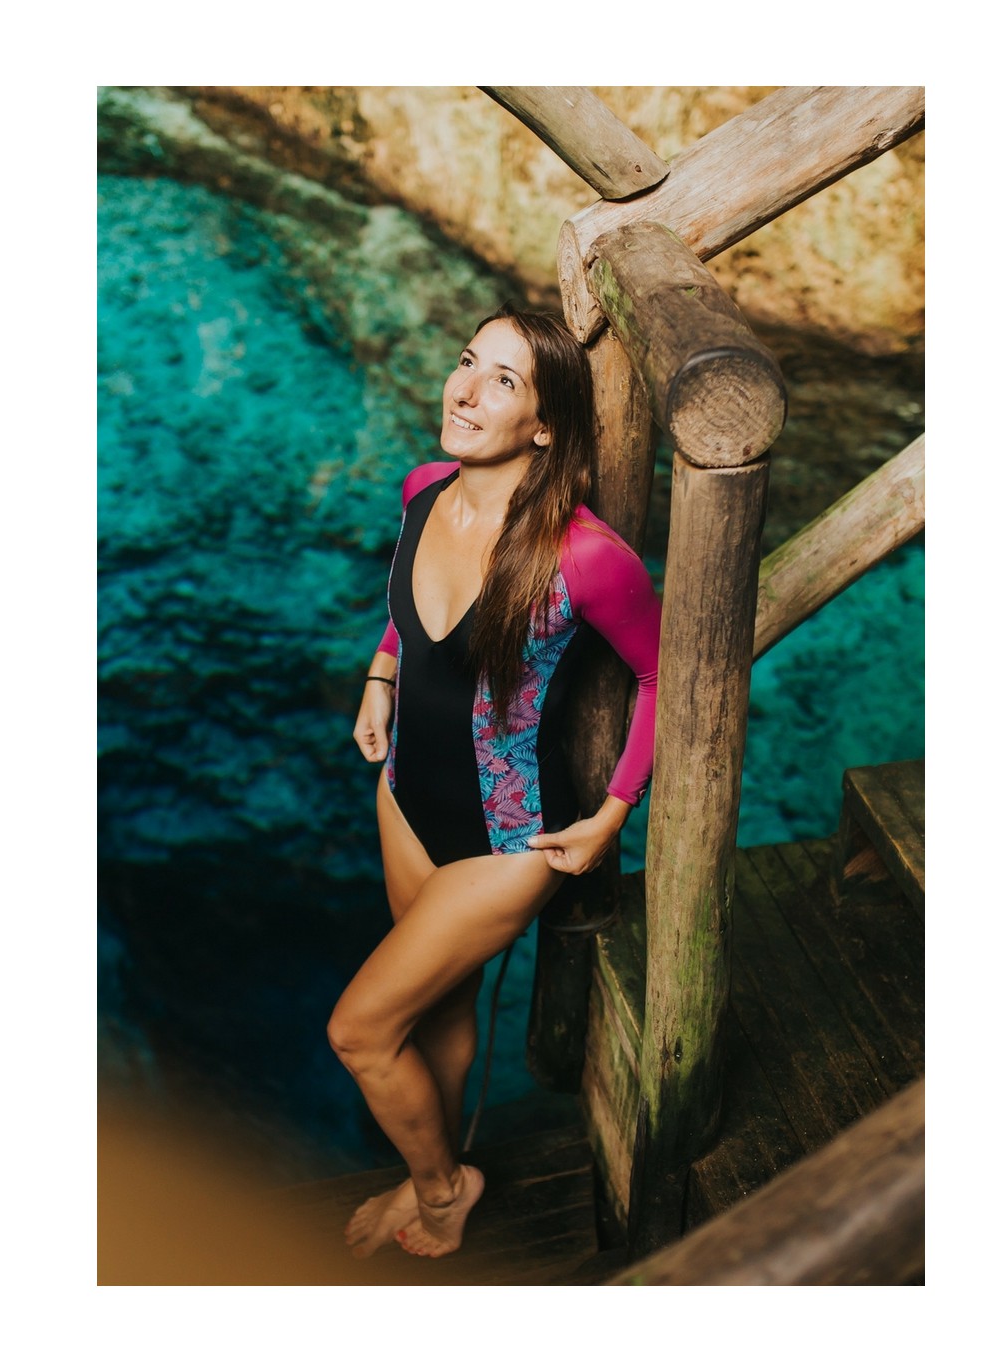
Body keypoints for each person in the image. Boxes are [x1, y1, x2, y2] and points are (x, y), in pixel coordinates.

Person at [328, 303, 662, 1260]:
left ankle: (444, 1191)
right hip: (404, 800)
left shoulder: (585, 558)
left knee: (359, 1033)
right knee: (437, 1011)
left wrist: (612, 814)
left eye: (504, 381)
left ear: (545, 426)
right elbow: (408, 611)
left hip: (508, 841)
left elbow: (663, 676)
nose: (465, 391)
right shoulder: (422, 489)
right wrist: (380, 675)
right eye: (467, 361)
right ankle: (434, 1163)